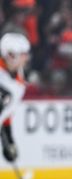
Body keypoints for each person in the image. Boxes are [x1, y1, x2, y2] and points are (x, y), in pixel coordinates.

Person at [0, 32, 29, 167]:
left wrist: (9, 141)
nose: (26, 58)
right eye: (23, 54)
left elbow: (6, 115)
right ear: (10, 55)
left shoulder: (18, 80)